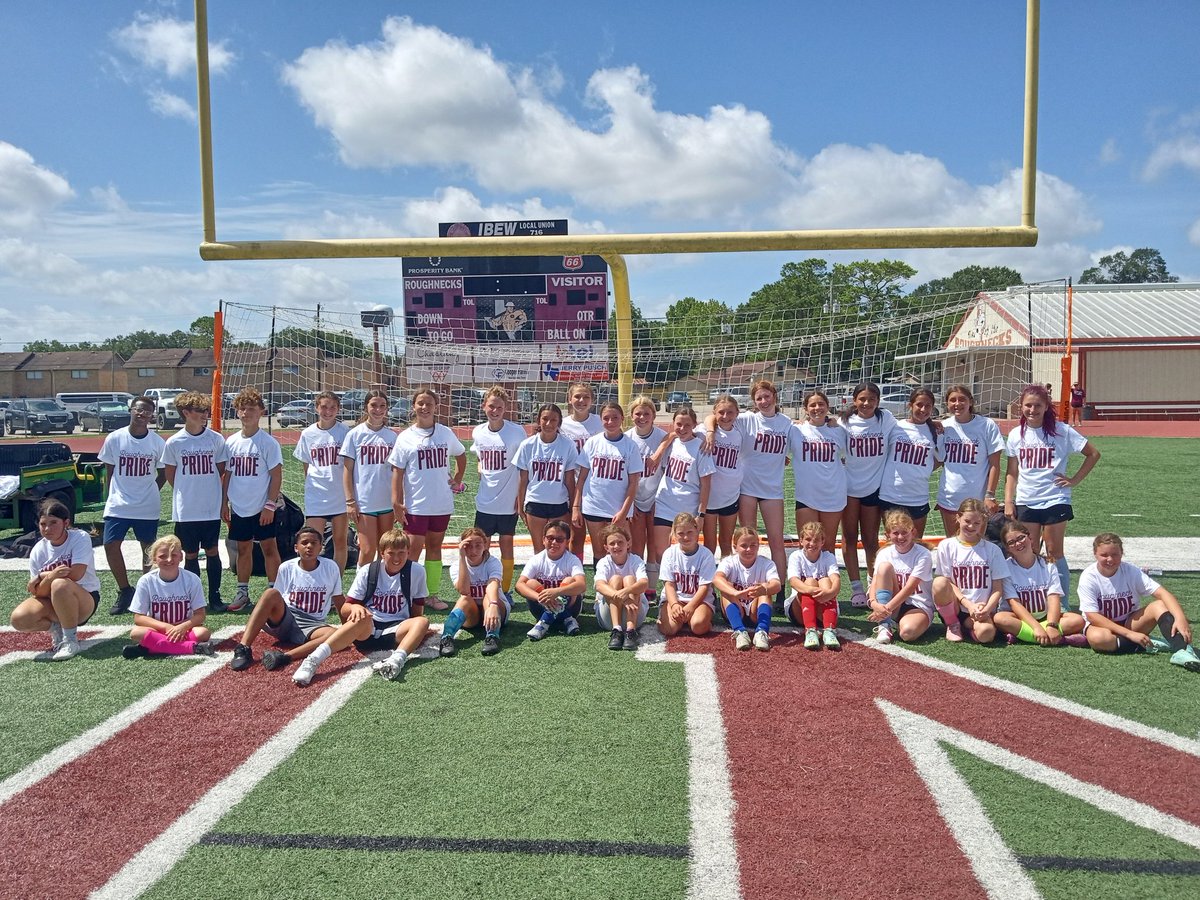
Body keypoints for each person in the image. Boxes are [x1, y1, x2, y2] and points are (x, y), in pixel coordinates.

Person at [229, 526, 372, 685]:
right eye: (304, 543)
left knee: (333, 633)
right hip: (286, 617)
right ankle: (243, 648)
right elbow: (276, 599)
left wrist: (348, 630)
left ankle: (284, 657)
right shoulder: (286, 567)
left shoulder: (331, 567)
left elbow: (339, 600)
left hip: (313, 624)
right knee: (270, 593)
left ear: (321, 547)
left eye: (313, 543)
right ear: (296, 548)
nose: (309, 546)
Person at [1003, 383, 1101, 602]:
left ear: (1047, 406)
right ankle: (1036, 599)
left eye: (1038, 405)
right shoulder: (1016, 435)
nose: (1032, 410)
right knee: (1030, 553)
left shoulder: (1062, 431)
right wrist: (1008, 501)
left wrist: (1074, 480)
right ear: (1021, 406)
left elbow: (1093, 454)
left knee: (1054, 552)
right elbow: (1012, 472)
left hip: (1055, 498)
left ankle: (1063, 604)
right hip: (1027, 499)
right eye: (1028, 405)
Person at [705, 380, 790, 605]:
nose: (763, 401)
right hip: (746, 488)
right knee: (747, 540)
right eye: (758, 398)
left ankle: (778, 591)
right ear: (753, 401)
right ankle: (743, 588)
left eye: (766, 396)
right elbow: (714, 415)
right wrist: (710, 431)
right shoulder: (746, 420)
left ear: (775, 396)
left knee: (776, 542)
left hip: (772, 489)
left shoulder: (786, 423)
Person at [389, 388, 466, 610]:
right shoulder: (405, 437)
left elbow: (461, 455)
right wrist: (396, 501)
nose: (424, 407)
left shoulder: (445, 433)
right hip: (416, 504)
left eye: (429, 403)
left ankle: (432, 595)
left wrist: (458, 478)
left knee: (435, 547)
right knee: (412, 550)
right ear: (413, 406)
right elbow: (397, 471)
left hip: (441, 503)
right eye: (420, 403)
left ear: (435, 406)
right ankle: (409, 594)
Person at [1077, 533, 1200, 671]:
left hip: (1130, 621)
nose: (1110, 559)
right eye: (1104, 555)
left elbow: (1163, 593)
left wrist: (1180, 618)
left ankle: (1182, 651)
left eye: (1115, 554)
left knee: (1159, 605)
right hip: (1101, 626)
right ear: (1095, 554)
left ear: (1122, 553)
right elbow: (1093, 616)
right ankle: (1144, 644)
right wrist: (1130, 635)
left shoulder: (1130, 570)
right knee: (1098, 639)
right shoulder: (1089, 577)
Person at [161, 391, 229, 612]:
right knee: (189, 554)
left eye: (206, 411)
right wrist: (187, 491)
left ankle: (215, 596)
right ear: (186, 413)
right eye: (199, 411)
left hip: (210, 507)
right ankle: (194, 598)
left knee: (212, 551)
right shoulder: (174, 442)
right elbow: (171, 475)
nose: (204, 415)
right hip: (186, 509)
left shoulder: (215, 439)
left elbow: (221, 471)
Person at [98, 395, 166, 614]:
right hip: (119, 503)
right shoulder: (115, 438)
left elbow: (164, 471)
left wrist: (151, 488)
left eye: (146, 412)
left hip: (147, 504)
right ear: (131, 410)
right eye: (138, 410)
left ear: (151, 416)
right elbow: (109, 470)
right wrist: (111, 494)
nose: (141, 414)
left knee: (148, 549)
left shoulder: (157, 442)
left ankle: (144, 593)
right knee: (110, 544)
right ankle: (125, 589)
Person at [9, 498, 101, 660]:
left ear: (66, 523)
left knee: (60, 584)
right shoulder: (38, 549)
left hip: (84, 599)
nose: (47, 528)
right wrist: (50, 575)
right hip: (52, 599)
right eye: (43, 524)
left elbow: (76, 574)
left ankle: (70, 641)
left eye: (53, 523)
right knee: (19, 619)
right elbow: (37, 592)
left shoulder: (79, 538)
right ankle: (57, 628)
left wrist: (44, 577)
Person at [222, 388, 284, 611]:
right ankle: (242, 593)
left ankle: (274, 591)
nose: (246, 413)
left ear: (261, 412)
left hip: (262, 506)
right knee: (243, 549)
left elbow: (276, 476)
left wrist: (270, 505)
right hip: (239, 506)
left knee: (269, 548)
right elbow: (227, 475)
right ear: (237, 412)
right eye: (242, 409)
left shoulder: (268, 443)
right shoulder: (231, 442)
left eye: (251, 409)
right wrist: (223, 503)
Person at [840, 382, 897, 609]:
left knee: (871, 540)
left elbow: (912, 425)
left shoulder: (886, 419)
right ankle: (856, 588)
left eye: (871, 399)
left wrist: (934, 423)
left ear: (878, 401)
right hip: (849, 488)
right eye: (862, 399)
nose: (866, 403)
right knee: (849, 537)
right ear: (854, 400)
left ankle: (873, 585)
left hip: (874, 488)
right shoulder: (844, 423)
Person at [347, 528, 431, 681]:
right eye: (391, 553)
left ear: (408, 552)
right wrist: (355, 607)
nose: (396, 558)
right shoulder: (368, 570)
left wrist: (415, 631)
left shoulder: (417, 571)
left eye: (401, 553)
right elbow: (347, 606)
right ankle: (315, 658)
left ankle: (396, 660)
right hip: (368, 629)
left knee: (423, 622)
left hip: (396, 630)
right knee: (356, 619)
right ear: (382, 553)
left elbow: (418, 606)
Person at [469, 386, 526, 593]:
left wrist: (521, 497)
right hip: (485, 500)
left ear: (505, 408)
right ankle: (481, 586)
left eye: (499, 407)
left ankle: (505, 591)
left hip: (508, 500)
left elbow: (524, 465)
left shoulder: (516, 432)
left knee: (506, 545)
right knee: (480, 546)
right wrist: (480, 468)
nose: (495, 410)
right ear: (484, 406)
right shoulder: (478, 432)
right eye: (491, 406)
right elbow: (479, 458)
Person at [994, 521, 1086, 646]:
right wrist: (1036, 627)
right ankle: (1060, 639)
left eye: (1021, 538)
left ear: (1029, 537)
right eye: (1011, 542)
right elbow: (1014, 604)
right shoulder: (1006, 568)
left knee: (1077, 620)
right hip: (1019, 618)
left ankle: (1023, 636)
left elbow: (1053, 598)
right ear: (1007, 548)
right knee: (1000, 619)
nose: (1018, 543)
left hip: (1045, 617)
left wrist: (1052, 625)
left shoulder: (1048, 564)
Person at [122, 535, 214, 658]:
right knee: (136, 633)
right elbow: (139, 618)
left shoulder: (192, 579)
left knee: (203, 632)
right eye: (162, 556)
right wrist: (167, 627)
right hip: (158, 629)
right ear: (154, 558)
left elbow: (200, 615)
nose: (169, 559)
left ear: (181, 557)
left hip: (183, 629)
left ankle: (150, 648)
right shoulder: (146, 581)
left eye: (174, 555)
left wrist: (182, 627)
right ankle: (193, 648)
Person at [573, 401, 642, 564]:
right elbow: (581, 477)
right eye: (606, 418)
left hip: (618, 510)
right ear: (601, 420)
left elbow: (633, 483)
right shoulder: (592, 442)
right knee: (599, 551)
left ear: (622, 419)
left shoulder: (630, 446)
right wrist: (576, 507)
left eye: (615, 418)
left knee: (621, 551)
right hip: (593, 506)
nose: (610, 422)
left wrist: (624, 512)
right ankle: (601, 589)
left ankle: (625, 589)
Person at [932, 498, 1008, 643]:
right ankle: (953, 624)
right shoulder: (946, 546)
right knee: (939, 582)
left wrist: (986, 609)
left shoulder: (992, 550)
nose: (971, 526)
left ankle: (969, 628)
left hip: (982, 609)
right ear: (958, 517)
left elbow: (998, 588)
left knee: (986, 634)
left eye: (977, 523)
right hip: (957, 607)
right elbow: (947, 582)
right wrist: (968, 605)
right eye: (967, 521)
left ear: (982, 524)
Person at [340, 389, 397, 568]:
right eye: (373, 405)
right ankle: (360, 591)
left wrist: (398, 501)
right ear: (366, 407)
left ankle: (381, 589)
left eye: (382, 406)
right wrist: (350, 501)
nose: (378, 410)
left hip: (387, 502)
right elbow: (347, 470)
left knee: (386, 550)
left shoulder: (392, 436)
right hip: (365, 502)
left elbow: (398, 472)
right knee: (367, 550)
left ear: (387, 408)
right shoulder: (354, 434)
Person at [293, 391, 350, 572]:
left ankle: (336, 583)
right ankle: (311, 579)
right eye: (324, 407)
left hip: (339, 495)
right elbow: (306, 466)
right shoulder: (308, 434)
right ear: (317, 407)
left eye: (332, 407)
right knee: (312, 541)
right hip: (317, 495)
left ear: (338, 409)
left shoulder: (345, 432)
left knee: (340, 542)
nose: (328, 411)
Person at [936, 385, 1003, 538]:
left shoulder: (987, 425)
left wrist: (990, 495)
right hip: (949, 497)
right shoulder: (944, 426)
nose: (957, 404)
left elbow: (995, 465)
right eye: (952, 400)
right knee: (954, 544)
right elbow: (939, 459)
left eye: (962, 399)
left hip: (977, 499)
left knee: (977, 546)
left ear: (971, 402)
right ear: (947, 404)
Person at [652, 405, 715, 566]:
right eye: (679, 424)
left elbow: (706, 485)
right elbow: (670, 437)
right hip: (664, 504)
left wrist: (701, 514)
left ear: (694, 425)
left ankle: (686, 587)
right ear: (673, 423)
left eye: (687, 425)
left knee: (687, 552)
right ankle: (668, 585)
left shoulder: (701, 447)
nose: (682, 428)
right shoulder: (671, 442)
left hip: (688, 508)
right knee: (661, 551)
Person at [879, 388, 944, 539]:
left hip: (917, 496)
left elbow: (940, 459)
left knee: (915, 543)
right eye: (919, 405)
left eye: (928, 406)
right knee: (893, 544)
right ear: (910, 405)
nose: (923, 409)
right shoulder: (895, 427)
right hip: (891, 494)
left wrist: (923, 470)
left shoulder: (935, 431)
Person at [514, 404, 579, 550]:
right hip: (535, 503)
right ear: (538, 420)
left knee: (561, 548)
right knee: (539, 549)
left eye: (554, 420)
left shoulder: (567, 445)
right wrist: (520, 506)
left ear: (559, 422)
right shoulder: (527, 445)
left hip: (560, 504)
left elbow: (569, 479)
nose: (549, 424)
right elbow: (523, 479)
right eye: (545, 419)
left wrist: (573, 506)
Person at [789, 390, 847, 549]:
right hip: (806, 496)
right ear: (805, 409)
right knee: (807, 545)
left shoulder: (839, 431)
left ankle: (829, 575)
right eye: (812, 405)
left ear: (828, 407)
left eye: (821, 404)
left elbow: (849, 457)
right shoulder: (795, 430)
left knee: (827, 546)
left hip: (833, 495)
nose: (817, 408)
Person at [866, 510, 935, 644]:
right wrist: (874, 603)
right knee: (885, 567)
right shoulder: (884, 553)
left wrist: (885, 610)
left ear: (913, 532)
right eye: (895, 533)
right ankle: (885, 625)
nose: (900, 537)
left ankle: (897, 621)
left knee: (907, 634)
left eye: (905, 532)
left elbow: (910, 588)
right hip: (891, 603)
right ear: (887, 535)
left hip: (917, 604)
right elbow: (874, 583)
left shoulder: (923, 554)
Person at [439, 527, 508, 657]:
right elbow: (464, 591)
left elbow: (493, 584)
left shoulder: (493, 562)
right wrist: (461, 557)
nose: (473, 550)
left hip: (495, 610)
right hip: (473, 615)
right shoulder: (456, 566)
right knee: (464, 598)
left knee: (488, 596)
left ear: (485, 545)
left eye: (478, 545)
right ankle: (446, 638)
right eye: (468, 546)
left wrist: (493, 604)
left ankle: (493, 636)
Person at [626, 395, 668, 600]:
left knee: (654, 543)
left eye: (646, 413)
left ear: (653, 415)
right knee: (636, 544)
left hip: (656, 497)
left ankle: (651, 588)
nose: (642, 417)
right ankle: (637, 586)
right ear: (631, 415)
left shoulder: (663, 437)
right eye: (638, 413)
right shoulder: (626, 438)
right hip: (634, 497)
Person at [515, 519, 587, 641]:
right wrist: (540, 598)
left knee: (570, 580)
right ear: (543, 540)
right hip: (541, 607)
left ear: (567, 542)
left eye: (559, 539)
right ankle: (567, 619)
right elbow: (519, 585)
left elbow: (582, 585)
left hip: (571, 607)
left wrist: (557, 592)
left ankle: (544, 622)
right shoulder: (537, 559)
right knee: (530, 583)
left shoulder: (572, 559)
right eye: (550, 538)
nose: (554, 542)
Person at [713, 525, 781, 651]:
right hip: (736, 608)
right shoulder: (729, 561)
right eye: (744, 545)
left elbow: (776, 585)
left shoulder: (766, 563)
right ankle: (739, 631)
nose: (749, 549)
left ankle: (762, 632)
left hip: (756, 611)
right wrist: (736, 593)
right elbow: (717, 579)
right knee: (726, 586)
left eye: (753, 545)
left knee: (765, 587)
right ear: (735, 547)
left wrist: (763, 589)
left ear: (758, 546)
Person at [699, 394, 747, 559]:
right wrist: (711, 430)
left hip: (731, 496)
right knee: (709, 545)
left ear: (737, 413)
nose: (725, 416)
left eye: (730, 412)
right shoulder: (703, 431)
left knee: (726, 543)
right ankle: (708, 583)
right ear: (714, 412)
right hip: (709, 499)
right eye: (721, 412)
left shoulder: (740, 430)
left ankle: (727, 582)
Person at [559, 382, 603, 559]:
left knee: (600, 538)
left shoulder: (600, 422)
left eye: (586, 397)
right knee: (575, 536)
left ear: (592, 401)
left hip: (597, 487)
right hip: (571, 485)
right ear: (570, 399)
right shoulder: (562, 425)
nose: (581, 400)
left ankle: (603, 578)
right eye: (577, 396)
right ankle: (577, 579)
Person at [656, 512, 717, 638]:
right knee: (669, 629)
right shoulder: (669, 553)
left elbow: (704, 587)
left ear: (697, 530)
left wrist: (691, 607)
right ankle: (666, 617)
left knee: (698, 626)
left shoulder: (706, 555)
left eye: (689, 532)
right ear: (674, 534)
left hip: (699, 600)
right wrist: (674, 604)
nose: (685, 537)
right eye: (681, 533)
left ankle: (702, 619)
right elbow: (669, 584)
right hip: (675, 598)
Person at [785, 521, 842, 650]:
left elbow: (837, 581)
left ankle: (829, 630)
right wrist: (814, 591)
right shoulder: (796, 556)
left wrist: (829, 593)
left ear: (822, 542)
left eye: (816, 540)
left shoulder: (828, 557)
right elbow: (793, 581)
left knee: (826, 582)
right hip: (798, 610)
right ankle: (810, 631)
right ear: (801, 541)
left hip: (823, 609)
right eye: (808, 539)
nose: (812, 544)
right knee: (810, 581)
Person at [593, 524, 650, 651]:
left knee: (629, 579)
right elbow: (599, 585)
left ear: (628, 544)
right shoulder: (604, 562)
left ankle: (630, 631)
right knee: (615, 579)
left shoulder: (636, 560)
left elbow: (644, 583)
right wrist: (624, 598)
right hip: (608, 617)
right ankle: (616, 630)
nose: (616, 546)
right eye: (612, 543)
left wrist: (626, 592)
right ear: (606, 547)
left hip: (635, 614)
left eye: (620, 542)